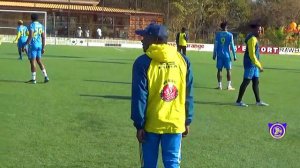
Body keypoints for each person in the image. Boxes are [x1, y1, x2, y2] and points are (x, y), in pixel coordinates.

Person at [131, 23, 194, 168]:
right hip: (175, 123)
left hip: (150, 125)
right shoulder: (183, 60)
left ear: (153, 39)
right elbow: (188, 93)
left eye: (144, 36)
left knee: (149, 165)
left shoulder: (142, 62)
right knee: (172, 164)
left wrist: (139, 125)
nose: (142, 40)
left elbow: (140, 96)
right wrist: (187, 119)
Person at [235, 22, 268, 107]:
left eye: (260, 30)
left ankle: (258, 101)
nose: (260, 32)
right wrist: (259, 65)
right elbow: (252, 54)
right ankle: (238, 101)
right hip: (250, 63)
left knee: (256, 82)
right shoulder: (252, 39)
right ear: (254, 30)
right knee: (246, 81)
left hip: (254, 64)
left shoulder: (252, 36)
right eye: (259, 30)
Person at [22, 13, 49, 84]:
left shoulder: (32, 25)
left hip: (33, 45)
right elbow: (43, 37)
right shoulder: (41, 26)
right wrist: (43, 47)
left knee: (33, 61)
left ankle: (33, 79)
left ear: (31, 18)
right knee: (39, 61)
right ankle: (46, 76)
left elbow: (30, 36)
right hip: (39, 45)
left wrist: (25, 44)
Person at [213, 21, 237, 90]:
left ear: (221, 27)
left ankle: (219, 85)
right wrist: (234, 55)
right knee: (228, 70)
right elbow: (232, 46)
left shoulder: (218, 35)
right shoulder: (230, 35)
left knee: (219, 70)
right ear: (226, 27)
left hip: (219, 55)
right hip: (227, 55)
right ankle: (229, 85)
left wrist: (214, 54)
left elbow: (216, 45)